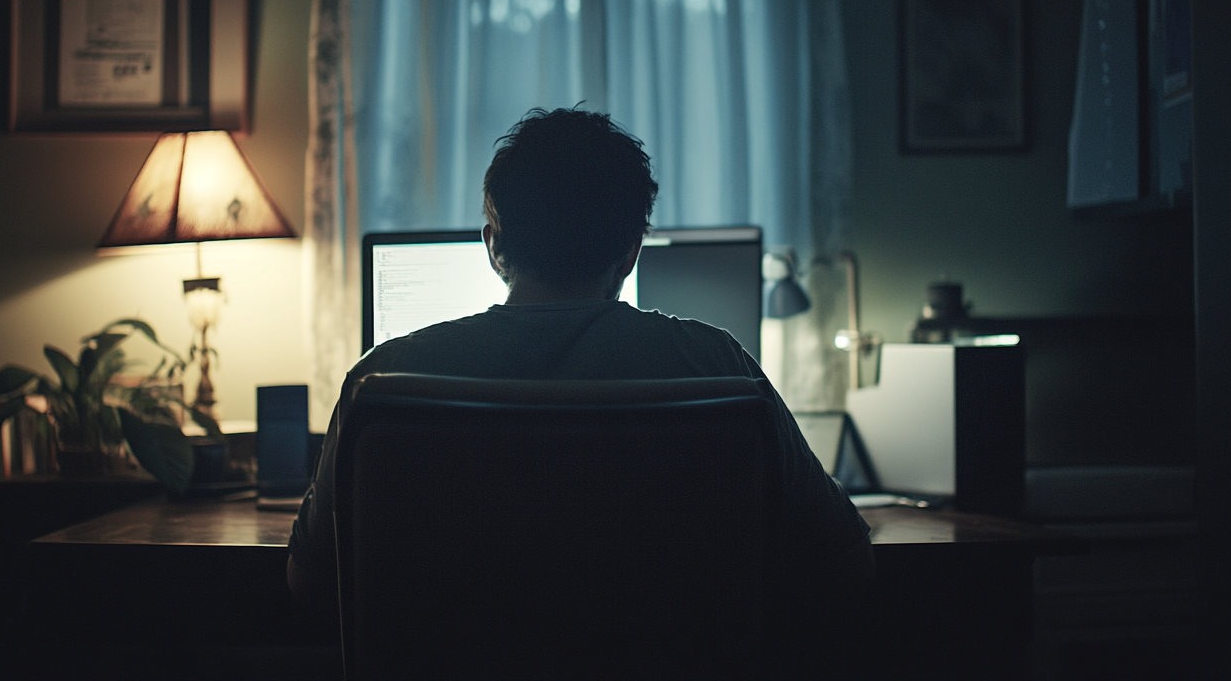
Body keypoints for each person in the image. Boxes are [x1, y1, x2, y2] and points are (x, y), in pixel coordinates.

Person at [288, 107, 873, 646]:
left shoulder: (381, 379)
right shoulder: (715, 367)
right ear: (630, 251)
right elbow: (844, 560)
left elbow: (310, 584)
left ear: (494, 246)